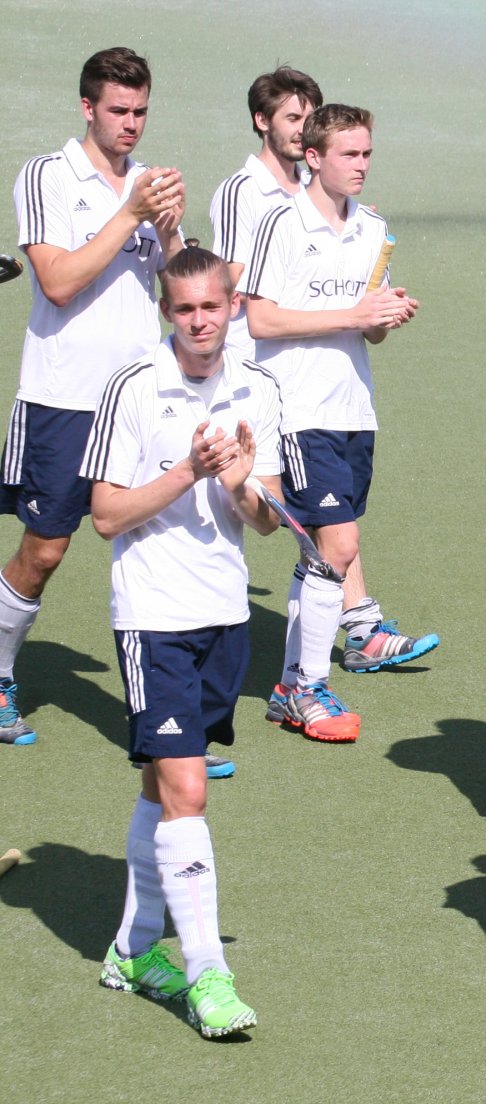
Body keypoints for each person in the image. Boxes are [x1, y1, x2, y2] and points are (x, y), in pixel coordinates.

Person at [83, 246, 285, 1038]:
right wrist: (188, 471)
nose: (201, 322)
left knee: (160, 790)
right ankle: (207, 973)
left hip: (223, 613)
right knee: (190, 791)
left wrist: (239, 481)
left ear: (233, 305)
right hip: (153, 614)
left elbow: (266, 520)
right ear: (168, 313)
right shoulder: (135, 388)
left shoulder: (257, 389)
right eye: (185, 310)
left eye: (213, 306)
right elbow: (104, 513)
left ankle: (132, 949)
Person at [2, 47, 184, 746]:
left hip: (142, 401)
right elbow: (57, 281)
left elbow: (178, 299)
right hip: (63, 400)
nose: (131, 124)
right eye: (118, 111)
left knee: (156, 554)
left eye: (141, 111)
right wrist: (129, 214)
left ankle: (167, 721)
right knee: (44, 552)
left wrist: (166, 229)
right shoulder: (48, 175)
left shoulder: (148, 186)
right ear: (88, 107)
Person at [240, 103, 430, 744]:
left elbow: (366, 332)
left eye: (368, 154)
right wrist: (354, 315)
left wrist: (383, 316)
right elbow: (260, 320)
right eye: (350, 154)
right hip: (295, 409)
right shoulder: (280, 224)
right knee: (339, 546)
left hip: (353, 408)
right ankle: (307, 686)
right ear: (314, 158)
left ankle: (295, 682)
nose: (362, 166)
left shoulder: (375, 229)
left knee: (325, 550)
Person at [209, 66, 323, 359]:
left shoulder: (317, 188)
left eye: (310, 120)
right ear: (262, 120)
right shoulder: (241, 190)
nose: (304, 130)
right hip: (251, 358)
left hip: (306, 356)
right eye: (293, 119)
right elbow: (230, 281)